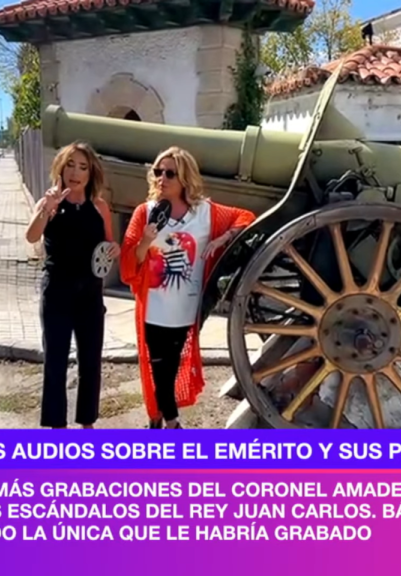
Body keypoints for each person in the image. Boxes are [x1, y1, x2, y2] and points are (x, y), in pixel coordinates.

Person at [120, 146, 256, 429]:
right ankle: (171, 423)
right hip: (154, 311)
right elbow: (128, 266)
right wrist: (145, 242)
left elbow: (246, 217)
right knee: (159, 369)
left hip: (186, 311)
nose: (162, 178)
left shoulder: (206, 213)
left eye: (170, 173)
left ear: (185, 178)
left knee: (168, 369)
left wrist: (223, 239)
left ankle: (157, 419)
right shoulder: (144, 213)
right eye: (158, 171)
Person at [25, 141, 119, 429]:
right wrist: (47, 210)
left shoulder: (99, 206)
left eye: (83, 167)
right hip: (57, 292)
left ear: (91, 174)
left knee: (91, 361)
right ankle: (56, 426)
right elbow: (31, 237)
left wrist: (114, 248)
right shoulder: (49, 203)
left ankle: (87, 423)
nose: (75, 173)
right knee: (55, 360)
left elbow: (108, 243)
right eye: (70, 165)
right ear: (61, 168)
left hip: (90, 294)